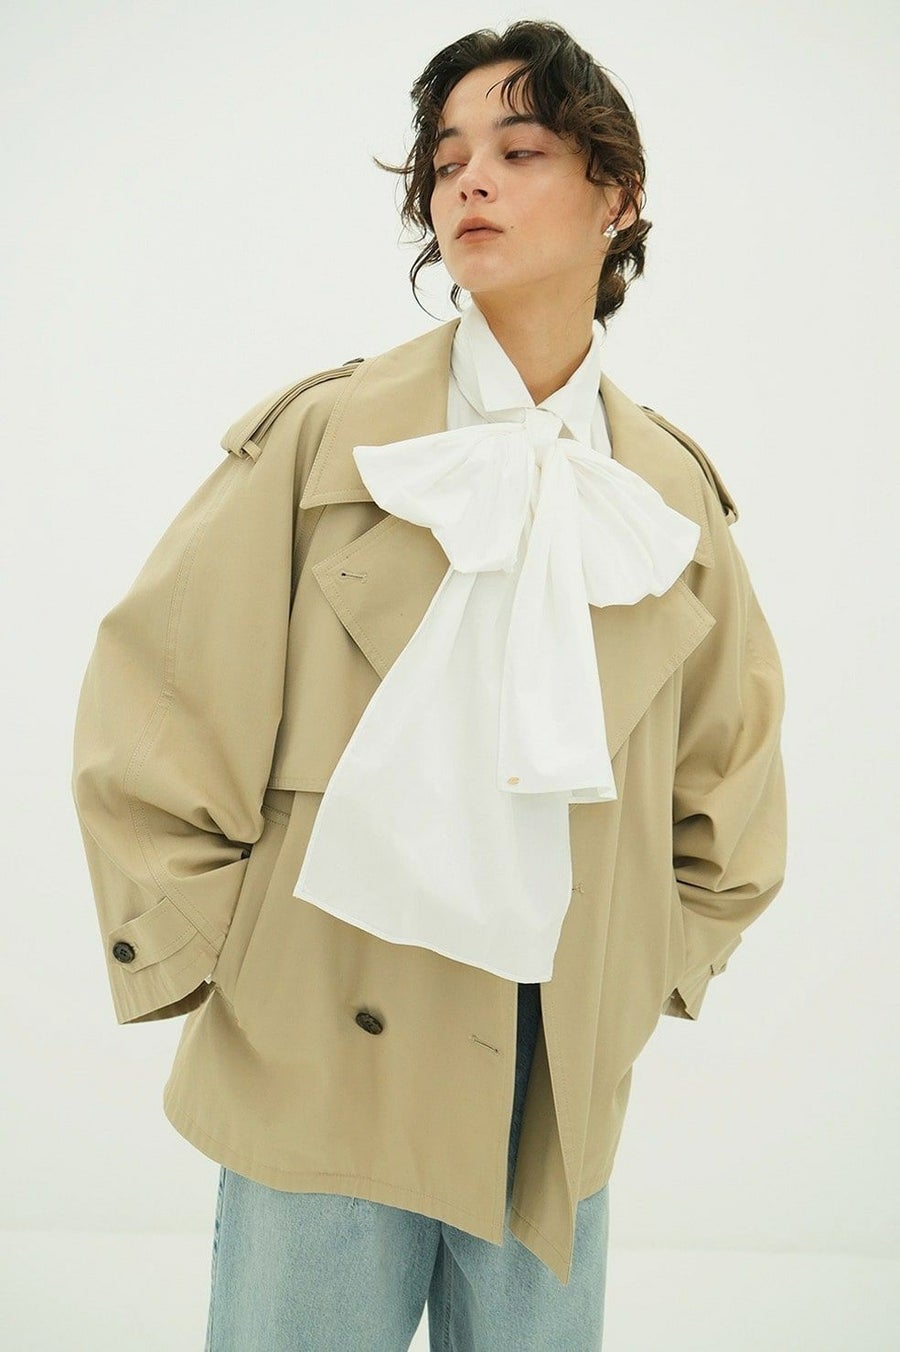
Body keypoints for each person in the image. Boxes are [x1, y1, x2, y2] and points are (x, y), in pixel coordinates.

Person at [71, 19, 787, 1352]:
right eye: (449, 158)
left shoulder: (667, 493)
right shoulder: (329, 438)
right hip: (322, 1048)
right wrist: (217, 960)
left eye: (521, 150)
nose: (471, 182)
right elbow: (162, 701)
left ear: (618, 197)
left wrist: (644, 969)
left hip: (554, 1082)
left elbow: (729, 779)